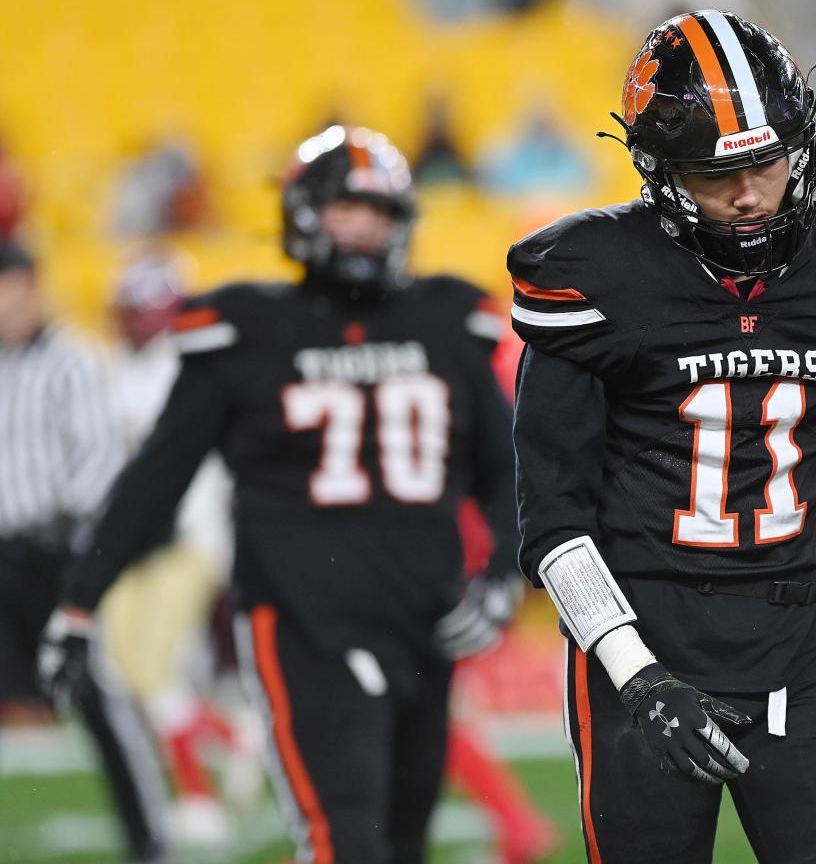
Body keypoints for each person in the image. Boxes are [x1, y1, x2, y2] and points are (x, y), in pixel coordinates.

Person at [508, 10, 816, 862]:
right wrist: (637, 673)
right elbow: (552, 523)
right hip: (648, 640)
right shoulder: (592, 279)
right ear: (661, 172)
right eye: (715, 174)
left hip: (807, 640)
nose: (751, 192)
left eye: (765, 161)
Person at [40, 125, 523, 863]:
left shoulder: (449, 318)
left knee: (400, 843)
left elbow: (512, 468)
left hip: (426, 616)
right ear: (303, 214)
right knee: (343, 838)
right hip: (302, 621)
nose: (364, 226)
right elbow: (156, 478)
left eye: (380, 211)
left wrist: (500, 578)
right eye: (345, 208)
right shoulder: (244, 328)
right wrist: (81, 598)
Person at [0, 240, 170, 862]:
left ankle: (150, 839)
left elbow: (99, 462)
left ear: (30, 286)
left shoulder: (73, 360)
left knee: (99, 697)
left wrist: (79, 547)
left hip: (54, 549)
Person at [101, 244, 246, 846]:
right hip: (141, 541)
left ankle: (197, 793)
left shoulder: (180, 367)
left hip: (188, 537)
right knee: (121, 672)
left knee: (153, 673)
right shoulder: (129, 369)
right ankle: (235, 741)